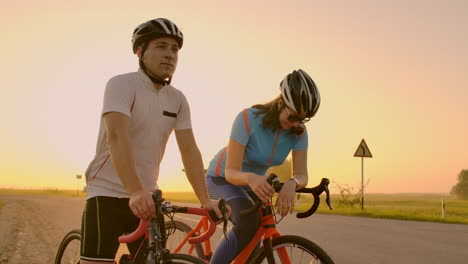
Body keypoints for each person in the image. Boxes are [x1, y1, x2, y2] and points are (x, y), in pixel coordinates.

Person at [80, 18, 223, 264]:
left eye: (175, 49)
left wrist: (205, 199)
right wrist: (134, 190)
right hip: (107, 192)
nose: (170, 55)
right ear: (140, 51)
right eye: (161, 46)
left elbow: (189, 150)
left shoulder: (177, 99)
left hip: (148, 200)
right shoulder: (121, 84)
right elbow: (117, 135)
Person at [205, 69, 321, 263]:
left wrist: (292, 183)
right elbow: (231, 172)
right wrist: (251, 177)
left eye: (303, 119)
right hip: (221, 178)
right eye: (292, 117)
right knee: (249, 223)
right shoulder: (248, 119)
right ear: (280, 103)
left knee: (255, 241)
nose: (296, 124)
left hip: (252, 184)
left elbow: (302, 174)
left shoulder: (299, 132)